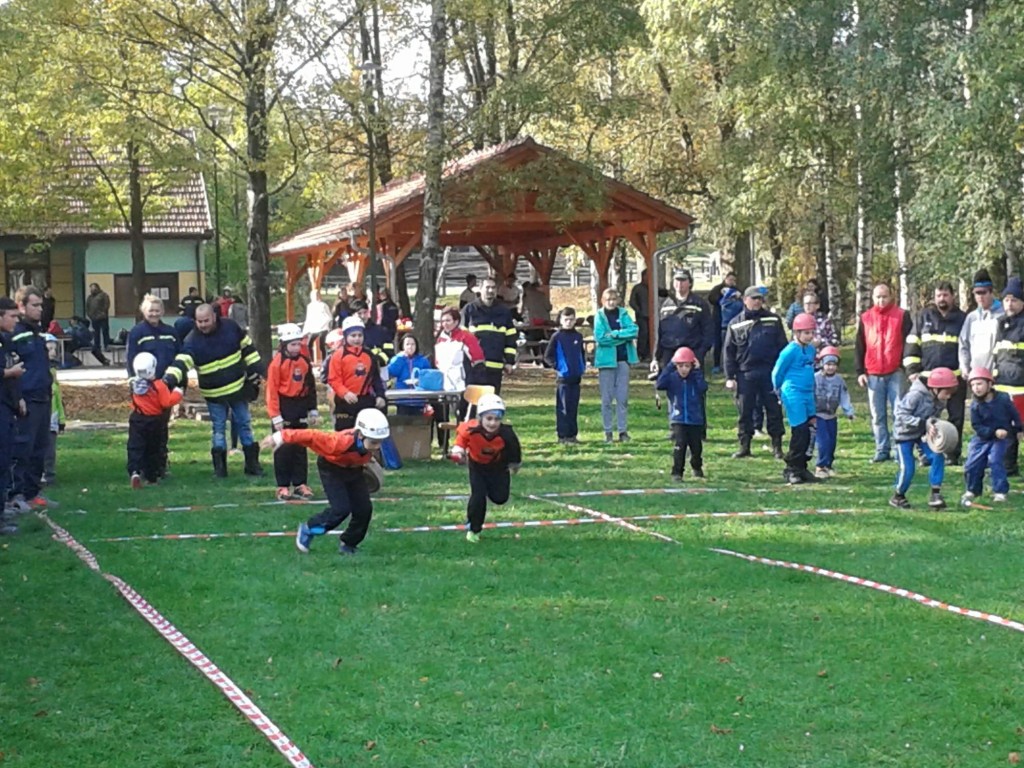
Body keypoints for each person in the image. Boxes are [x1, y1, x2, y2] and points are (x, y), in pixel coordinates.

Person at [271, 409, 390, 556]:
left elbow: (365, 453)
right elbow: (311, 435)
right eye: (374, 442)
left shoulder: (370, 443)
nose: (377, 446)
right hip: (331, 469)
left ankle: (349, 544)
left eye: (380, 442)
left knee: (364, 510)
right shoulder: (338, 442)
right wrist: (280, 437)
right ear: (360, 434)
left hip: (354, 470)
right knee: (340, 510)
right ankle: (309, 528)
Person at [165, 304, 264, 478]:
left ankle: (252, 465)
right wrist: (169, 379)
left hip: (238, 389)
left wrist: (257, 368)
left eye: (206, 320)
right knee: (218, 428)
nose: (203, 325)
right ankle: (220, 469)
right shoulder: (192, 340)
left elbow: (247, 348)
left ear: (214, 317)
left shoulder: (231, 327)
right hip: (214, 394)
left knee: (244, 424)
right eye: (199, 321)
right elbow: (182, 362)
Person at [903, 281, 967, 464]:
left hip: (955, 378)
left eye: (945, 295)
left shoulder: (963, 319)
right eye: (939, 295)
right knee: (925, 417)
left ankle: (952, 453)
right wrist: (912, 370)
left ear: (953, 297)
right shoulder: (923, 317)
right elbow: (912, 343)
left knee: (956, 417)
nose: (942, 299)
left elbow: (967, 347)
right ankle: (926, 453)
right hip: (927, 380)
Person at [723, 286, 788, 460]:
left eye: (759, 298)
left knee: (774, 410)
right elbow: (728, 352)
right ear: (745, 300)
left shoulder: (773, 320)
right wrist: (730, 377)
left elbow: (783, 347)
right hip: (745, 373)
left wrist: (783, 373)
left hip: (770, 373)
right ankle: (744, 446)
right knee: (745, 412)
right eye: (754, 298)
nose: (757, 301)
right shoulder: (735, 323)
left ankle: (777, 446)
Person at [450, 393, 522, 543]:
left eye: (497, 419)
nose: (492, 423)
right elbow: (460, 441)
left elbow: (515, 450)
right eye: (489, 418)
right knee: (478, 496)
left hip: (499, 467)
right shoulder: (470, 429)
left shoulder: (506, 434)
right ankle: (474, 529)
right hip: (477, 466)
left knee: (500, 498)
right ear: (480, 417)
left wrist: (515, 464)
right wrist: (458, 452)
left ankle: (489, 489)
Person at [10, 287, 57, 511]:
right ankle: (16, 494)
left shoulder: (38, 333)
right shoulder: (15, 333)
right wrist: (18, 396)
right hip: (26, 398)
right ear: (21, 306)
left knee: (40, 446)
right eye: (35, 305)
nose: (40, 309)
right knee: (23, 447)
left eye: (41, 305)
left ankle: (33, 492)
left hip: (42, 396)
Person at [855, 283, 912, 463]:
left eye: (884, 296)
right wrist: (860, 371)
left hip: (896, 372)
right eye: (878, 297)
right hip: (873, 373)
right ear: (873, 298)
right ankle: (881, 449)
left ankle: (899, 449)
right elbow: (860, 345)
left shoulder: (902, 315)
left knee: (899, 413)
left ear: (891, 296)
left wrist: (907, 367)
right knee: (877, 415)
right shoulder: (865, 318)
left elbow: (910, 342)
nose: (881, 300)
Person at [889, 366, 958, 509]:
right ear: (936, 388)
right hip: (904, 434)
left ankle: (935, 494)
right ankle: (898, 495)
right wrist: (922, 423)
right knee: (908, 467)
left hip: (921, 433)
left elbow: (933, 417)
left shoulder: (940, 399)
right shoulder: (915, 395)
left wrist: (933, 425)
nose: (949, 397)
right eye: (947, 392)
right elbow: (900, 415)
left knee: (937, 455)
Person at [126, 295, 180, 477]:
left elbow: (178, 357)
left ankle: (159, 466)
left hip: (165, 386)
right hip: (145, 389)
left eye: (157, 310)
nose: (154, 314)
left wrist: (177, 381)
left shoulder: (171, 332)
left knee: (161, 428)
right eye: (151, 311)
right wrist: (133, 382)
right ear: (143, 311)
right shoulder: (137, 332)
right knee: (142, 430)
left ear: (162, 311)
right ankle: (140, 467)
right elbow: (131, 359)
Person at [266, 323, 319, 501]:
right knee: (283, 447)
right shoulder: (276, 364)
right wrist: (275, 415)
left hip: (300, 405)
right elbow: (271, 391)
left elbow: (310, 386)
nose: (296, 348)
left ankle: (300, 484)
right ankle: (282, 485)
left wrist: (312, 409)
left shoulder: (304, 362)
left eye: (298, 344)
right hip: (284, 406)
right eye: (293, 344)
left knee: (300, 446)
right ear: (284, 344)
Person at [961, 366, 1021, 507]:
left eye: (979, 384)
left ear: (989, 383)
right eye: (973, 385)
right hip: (982, 438)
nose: (976, 388)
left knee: (995, 461)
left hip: (1000, 439)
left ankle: (1000, 491)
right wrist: (993, 432)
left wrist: (1019, 429)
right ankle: (973, 490)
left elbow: (1014, 414)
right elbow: (976, 425)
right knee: (972, 464)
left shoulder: (1003, 398)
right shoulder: (975, 405)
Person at [772, 313, 820, 484]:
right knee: (799, 431)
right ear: (796, 333)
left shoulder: (811, 350)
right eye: (806, 333)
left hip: (808, 393)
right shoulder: (790, 351)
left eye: (811, 332)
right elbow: (777, 372)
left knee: (810, 430)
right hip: (793, 393)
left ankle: (802, 467)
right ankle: (791, 468)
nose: (810, 336)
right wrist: (778, 391)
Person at [128, 352, 183, 489]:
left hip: (137, 419)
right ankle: (151, 477)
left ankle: (135, 471)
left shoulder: (134, 385)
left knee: (136, 446)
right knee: (153, 449)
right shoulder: (159, 385)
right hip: (155, 421)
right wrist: (178, 393)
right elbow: (166, 402)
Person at [656, 346, 708, 482]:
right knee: (680, 445)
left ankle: (697, 467)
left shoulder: (695, 378)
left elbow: (703, 387)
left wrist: (697, 371)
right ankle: (677, 472)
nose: (684, 369)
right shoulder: (672, 378)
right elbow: (659, 384)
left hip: (695, 419)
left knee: (696, 447)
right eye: (680, 366)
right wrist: (669, 366)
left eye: (687, 366)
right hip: (678, 419)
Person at [594, 287, 638, 443]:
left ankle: (622, 431)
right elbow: (600, 338)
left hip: (623, 360)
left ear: (618, 300)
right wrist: (623, 338)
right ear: (602, 301)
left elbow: (634, 331)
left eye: (614, 299)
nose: (611, 302)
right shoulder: (599, 316)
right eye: (608, 300)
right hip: (606, 362)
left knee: (622, 398)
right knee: (606, 399)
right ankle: (608, 432)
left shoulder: (623, 314)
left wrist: (615, 334)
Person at [327, 315, 385, 432]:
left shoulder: (369, 355)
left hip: (365, 400)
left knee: (366, 433)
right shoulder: (338, 355)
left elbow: (375, 378)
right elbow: (334, 379)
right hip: (344, 401)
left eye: (360, 335)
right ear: (345, 336)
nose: (357, 339)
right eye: (353, 336)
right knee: (344, 435)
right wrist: (345, 393)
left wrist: (380, 395)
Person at [992, 276, 1024, 476]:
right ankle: (1007, 466)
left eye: (1014, 300)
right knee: (1006, 427)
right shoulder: (1000, 323)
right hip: (1002, 385)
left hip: (1021, 387)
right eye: (1006, 300)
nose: (1009, 304)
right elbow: (997, 354)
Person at [653, 268, 715, 370]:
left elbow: (708, 331)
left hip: (692, 353)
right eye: (677, 280)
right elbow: (660, 332)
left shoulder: (699, 304)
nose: (679, 284)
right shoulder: (666, 304)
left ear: (690, 283)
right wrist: (656, 358)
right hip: (669, 354)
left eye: (683, 280)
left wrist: (700, 353)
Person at [463, 276, 516, 393]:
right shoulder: (469, 310)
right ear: (480, 289)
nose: (490, 290)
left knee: (492, 401)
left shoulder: (504, 311)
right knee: (473, 401)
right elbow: (461, 339)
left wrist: (509, 362)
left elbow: (510, 338)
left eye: (493, 288)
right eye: (487, 287)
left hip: (495, 367)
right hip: (474, 367)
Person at [0, 297, 25, 532]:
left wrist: (18, 398)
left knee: (6, 459)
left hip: (7, 406)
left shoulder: (6, 341)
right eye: (12, 316)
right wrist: (9, 372)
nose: (16, 321)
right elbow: (7, 372)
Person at [544, 307, 586, 445]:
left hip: (576, 377)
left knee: (573, 408)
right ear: (561, 320)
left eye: (571, 319)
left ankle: (572, 435)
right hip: (563, 379)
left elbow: (581, 353)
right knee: (563, 408)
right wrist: (558, 366)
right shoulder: (557, 337)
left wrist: (582, 367)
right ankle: (563, 436)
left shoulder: (578, 336)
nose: (568, 322)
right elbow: (547, 356)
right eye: (566, 319)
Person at [813, 346, 855, 479]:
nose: (830, 367)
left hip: (831, 416)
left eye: (833, 364)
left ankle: (828, 465)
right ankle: (820, 466)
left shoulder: (839, 380)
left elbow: (844, 396)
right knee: (823, 441)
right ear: (822, 363)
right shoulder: (815, 378)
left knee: (832, 442)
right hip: (818, 415)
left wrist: (848, 411)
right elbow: (809, 395)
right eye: (828, 364)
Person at [959, 268, 1004, 386]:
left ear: (991, 292)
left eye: (983, 292)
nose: (980, 297)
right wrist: (964, 367)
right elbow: (963, 344)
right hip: (976, 379)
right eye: (977, 293)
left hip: (997, 378)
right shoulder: (971, 318)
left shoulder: (1003, 315)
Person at [434, 308, 484, 392]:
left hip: (463, 384)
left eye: (448, 320)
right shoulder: (440, 339)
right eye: (443, 321)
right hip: (444, 384)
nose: (445, 324)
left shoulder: (466, 337)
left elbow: (478, 360)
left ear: (456, 321)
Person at [386, 334, 432, 416]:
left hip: (418, 399)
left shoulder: (423, 360)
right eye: (407, 344)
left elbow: (428, 377)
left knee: (418, 422)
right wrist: (399, 358)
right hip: (402, 398)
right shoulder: (398, 359)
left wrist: (420, 381)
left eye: (413, 344)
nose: (410, 347)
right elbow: (392, 372)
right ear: (403, 346)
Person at [42, 335, 64, 487]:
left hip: (52, 419)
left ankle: (49, 475)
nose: (53, 352)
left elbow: (58, 400)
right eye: (49, 349)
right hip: (41, 417)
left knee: (50, 450)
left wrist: (61, 420)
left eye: (54, 349)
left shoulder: (53, 372)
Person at [628, 270, 654, 361]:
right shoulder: (638, 288)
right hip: (642, 316)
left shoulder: (652, 288)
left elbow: (662, 293)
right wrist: (639, 310)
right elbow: (632, 302)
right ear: (643, 277)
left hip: (652, 316)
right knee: (644, 334)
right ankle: (641, 354)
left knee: (652, 334)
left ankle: (650, 353)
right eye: (647, 276)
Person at [302, 288, 333, 363]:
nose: (316, 296)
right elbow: (308, 318)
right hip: (314, 329)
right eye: (314, 295)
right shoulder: (310, 306)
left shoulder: (323, 305)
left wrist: (324, 324)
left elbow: (329, 317)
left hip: (323, 328)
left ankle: (324, 361)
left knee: (322, 345)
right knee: (309, 344)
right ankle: (312, 361)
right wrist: (305, 331)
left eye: (317, 295)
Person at [85, 282, 111, 352]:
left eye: (93, 288)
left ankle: (106, 346)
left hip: (103, 317)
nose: (92, 290)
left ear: (97, 288)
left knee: (105, 332)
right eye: (91, 288)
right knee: (96, 333)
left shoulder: (103, 295)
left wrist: (103, 312)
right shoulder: (90, 298)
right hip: (94, 318)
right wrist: (89, 314)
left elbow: (107, 304)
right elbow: (87, 307)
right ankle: (97, 347)